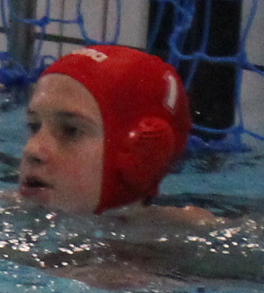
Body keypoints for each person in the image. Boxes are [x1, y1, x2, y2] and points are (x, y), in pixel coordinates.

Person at [15, 44, 197, 217]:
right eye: (34, 126)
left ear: (143, 153)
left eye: (71, 131)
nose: (32, 150)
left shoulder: (189, 241)